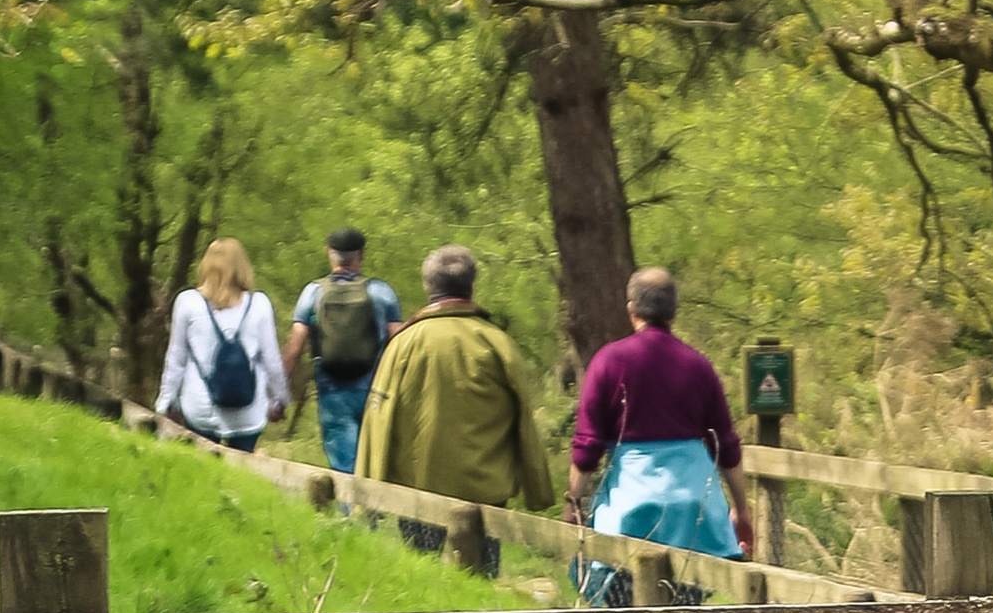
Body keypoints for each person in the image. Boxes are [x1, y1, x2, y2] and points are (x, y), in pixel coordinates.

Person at [354, 245, 559, 513]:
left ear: (428, 287)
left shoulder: (402, 344)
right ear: (472, 287)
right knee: (483, 544)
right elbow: (524, 421)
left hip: (417, 494)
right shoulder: (498, 343)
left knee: (418, 544)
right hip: (484, 494)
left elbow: (378, 421)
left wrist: (367, 500)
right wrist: (537, 489)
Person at [569, 268, 754, 564]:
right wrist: (741, 510)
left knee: (616, 581)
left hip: (631, 505)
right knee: (697, 588)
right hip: (695, 512)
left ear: (631, 309)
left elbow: (588, 445)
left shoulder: (608, 362)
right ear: (674, 311)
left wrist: (573, 501)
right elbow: (727, 446)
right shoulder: (699, 366)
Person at [155, 237, 290, 452]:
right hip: (247, 412)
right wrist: (280, 400)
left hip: (200, 408)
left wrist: (166, 402)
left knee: (201, 465)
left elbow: (176, 358)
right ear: (242, 267)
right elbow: (272, 360)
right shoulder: (259, 303)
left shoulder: (187, 302)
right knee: (243, 466)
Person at [288, 226, 402, 476]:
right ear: (361, 255)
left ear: (330, 253)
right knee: (377, 462)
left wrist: (278, 391)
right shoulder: (381, 291)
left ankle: (349, 501)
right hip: (376, 389)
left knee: (344, 465)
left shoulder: (313, 292)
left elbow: (295, 346)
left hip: (333, 390)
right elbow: (400, 342)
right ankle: (375, 501)